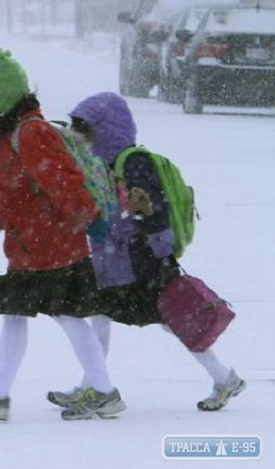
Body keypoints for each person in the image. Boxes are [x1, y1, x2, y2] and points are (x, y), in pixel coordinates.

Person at [0, 49, 126, 421]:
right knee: (20, 313)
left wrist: (89, 218)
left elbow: (63, 181)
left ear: (2, 97)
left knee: (67, 316)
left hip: (52, 245)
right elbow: (18, 188)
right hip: (31, 244)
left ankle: (104, 392)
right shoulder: (15, 134)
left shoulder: (32, 133)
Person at [48, 91, 245, 412]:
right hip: (118, 259)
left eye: (85, 129)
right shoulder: (107, 163)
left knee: (174, 319)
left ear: (104, 129)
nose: (80, 136)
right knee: (102, 313)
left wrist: (160, 252)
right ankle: (92, 386)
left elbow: (147, 209)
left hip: (143, 262)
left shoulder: (132, 162)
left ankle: (224, 378)